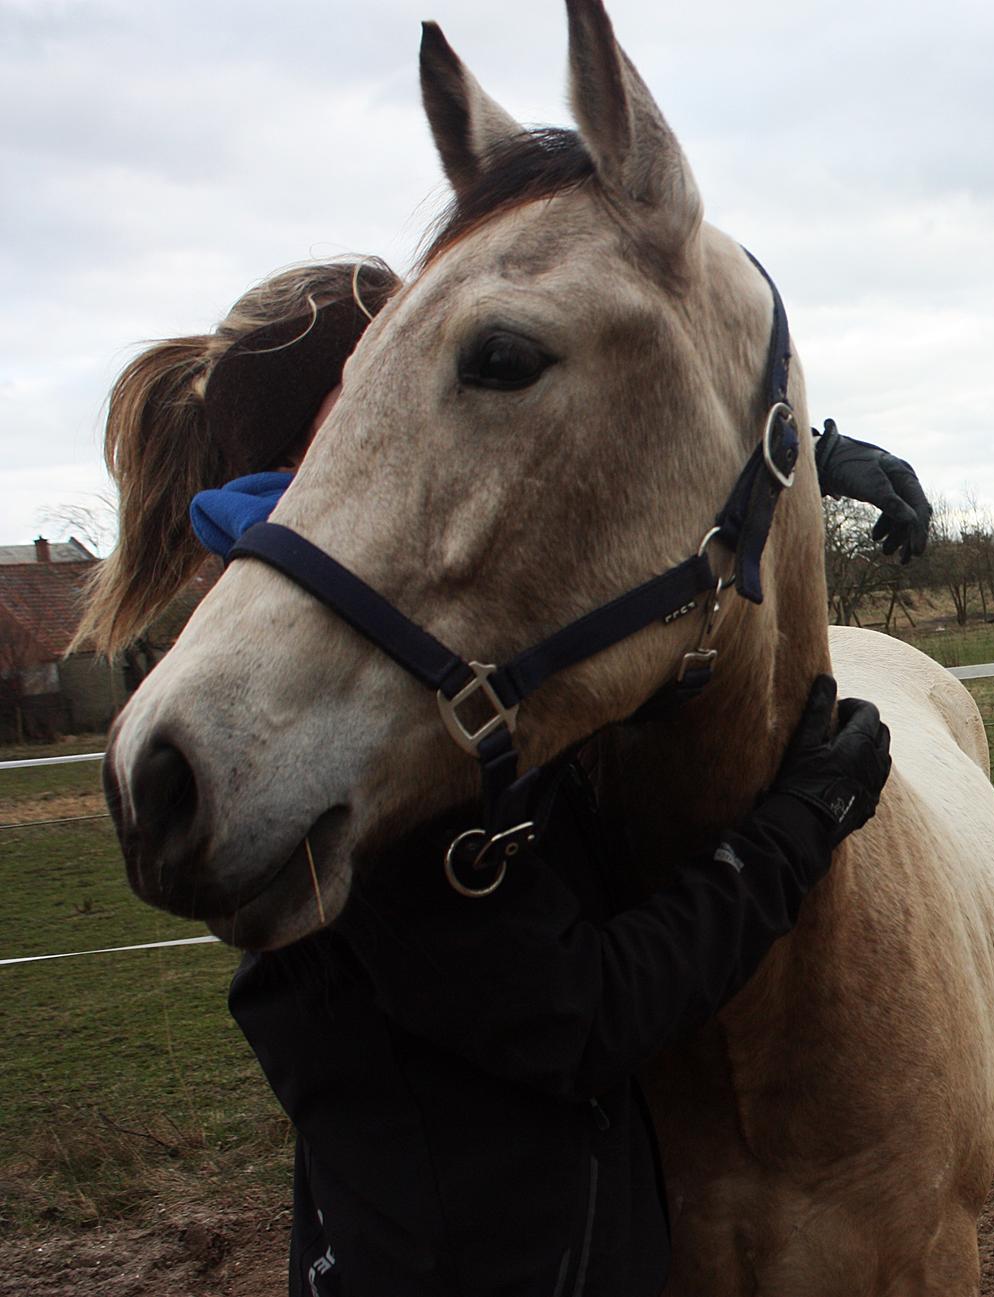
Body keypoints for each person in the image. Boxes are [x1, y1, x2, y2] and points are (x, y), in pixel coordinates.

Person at [103, 258, 909, 1297]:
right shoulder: (360, 696)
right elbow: (577, 1015)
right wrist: (801, 824)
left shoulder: (331, 627)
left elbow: (596, 495)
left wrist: (798, 454)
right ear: (339, 428)